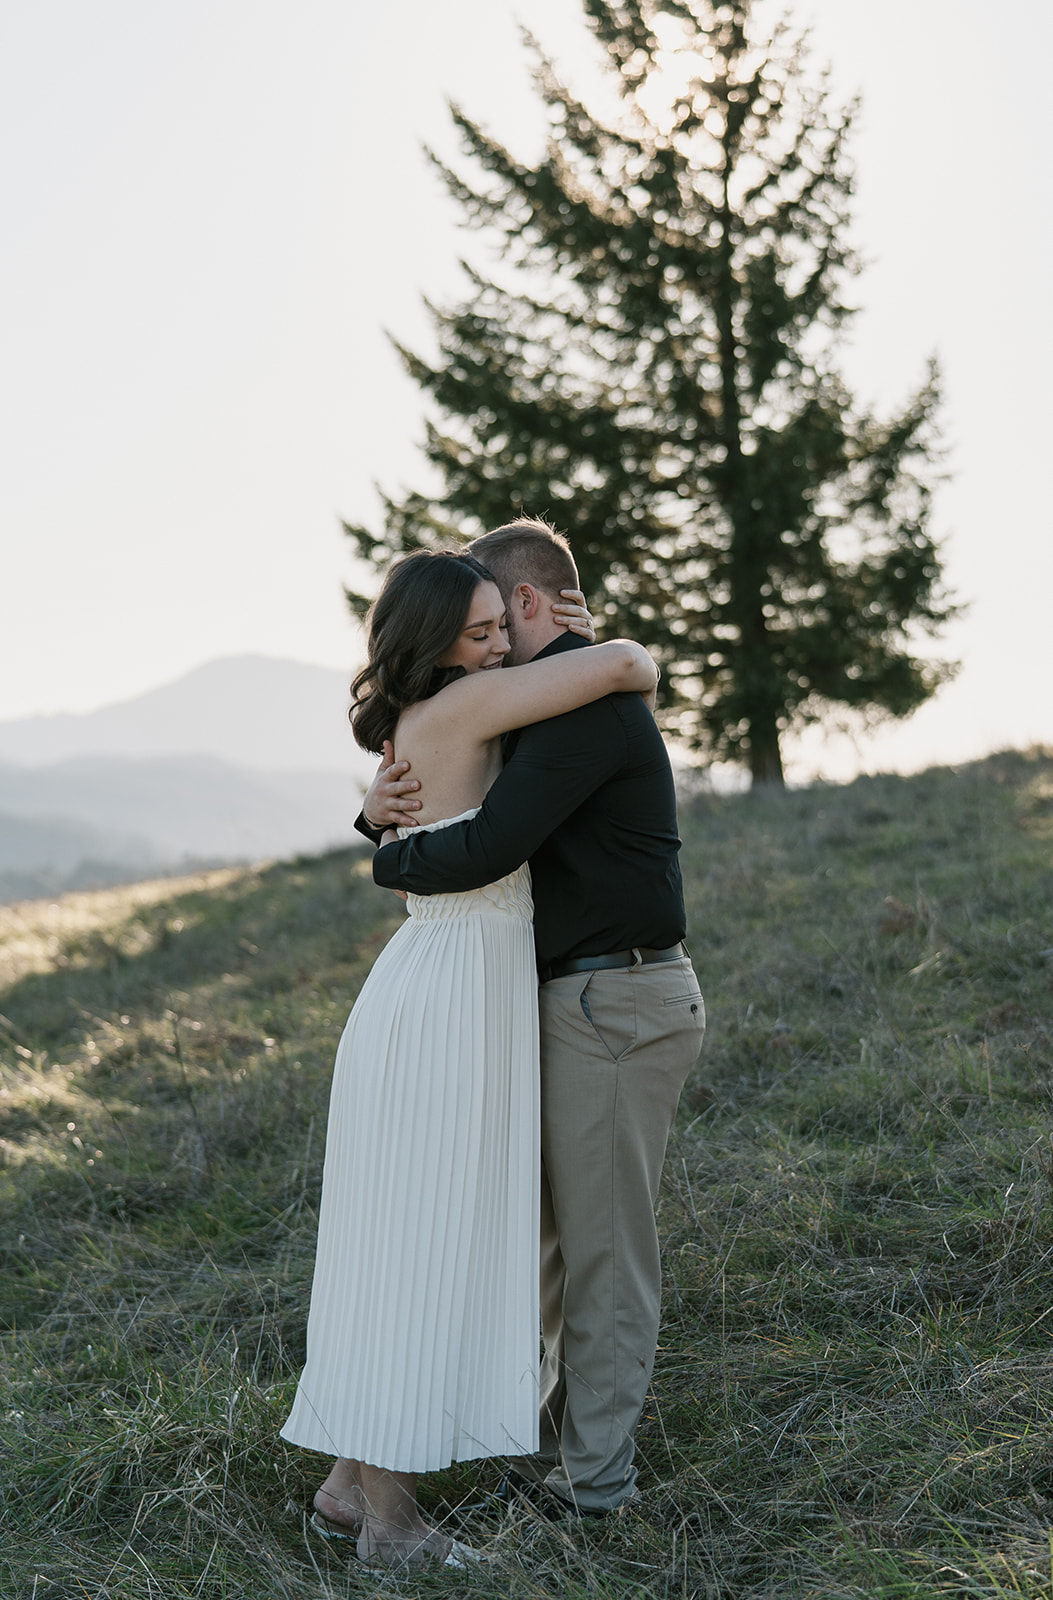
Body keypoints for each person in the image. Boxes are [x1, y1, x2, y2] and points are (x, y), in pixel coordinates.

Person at [280, 547, 657, 1570]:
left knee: (403, 1241)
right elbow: (629, 670)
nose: (500, 647)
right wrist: (595, 635)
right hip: (445, 998)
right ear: (437, 641)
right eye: (483, 631)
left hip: (445, 984)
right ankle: (395, 1529)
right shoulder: (464, 709)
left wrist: (552, 630)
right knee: (417, 1251)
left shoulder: (447, 711)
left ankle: (347, 1487)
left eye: (505, 626)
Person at [360, 517, 706, 1518]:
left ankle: (596, 1487)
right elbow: (453, 786)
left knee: (604, 1251)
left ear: (528, 602)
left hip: (618, 997)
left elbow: (486, 842)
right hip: (571, 998)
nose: (489, 649)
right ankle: (551, 1437)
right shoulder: (541, 702)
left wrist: (384, 855)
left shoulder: (585, 707)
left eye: (490, 619)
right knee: (547, 1243)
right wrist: (374, 807)